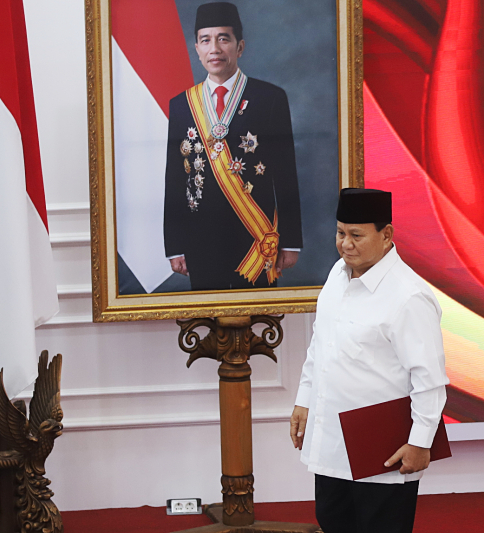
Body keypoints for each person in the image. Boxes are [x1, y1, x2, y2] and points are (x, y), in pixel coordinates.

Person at [289, 188, 448, 533]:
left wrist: (421, 442)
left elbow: (429, 379)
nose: (345, 244)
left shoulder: (409, 296)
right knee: (331, 521)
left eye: (356, 235)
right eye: (340, 233)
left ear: (386, 235)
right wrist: (304, 400)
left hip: (382, 447)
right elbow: (320, 343)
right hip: (331, 438)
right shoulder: (336, 275)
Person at [163, 2, 302, 291]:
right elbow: (175, 178)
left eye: (223, 38)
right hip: (200, 238)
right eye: (206, 40)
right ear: (197, 49)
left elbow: (286, 174)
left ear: (239, 47)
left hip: (255, 238)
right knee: (209, 324)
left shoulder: (270, 98)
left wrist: (290, 240)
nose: (214, 48)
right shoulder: (181, 105)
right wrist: (174, 245)